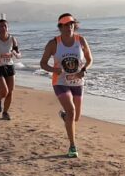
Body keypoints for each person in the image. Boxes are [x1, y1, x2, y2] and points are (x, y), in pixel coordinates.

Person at [39, 13, 93, 158]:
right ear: (60, 27)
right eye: (66, 24)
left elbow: (89, 59)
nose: (69, 27)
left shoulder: (81, 40)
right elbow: (43, 63)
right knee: (71, 110)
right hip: (60, 82)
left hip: (77, 82)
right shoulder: (53, 43)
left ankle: (65, 117)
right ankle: (72, 146)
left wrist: (84, 69)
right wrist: (53, 69)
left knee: (75, 117)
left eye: (71, 24)